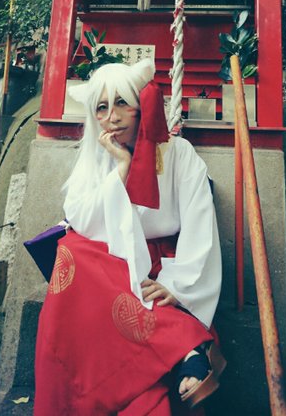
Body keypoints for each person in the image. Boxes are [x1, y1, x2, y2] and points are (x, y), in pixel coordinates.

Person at [34, 59, 225, 415]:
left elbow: (199, 223)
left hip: (162, 262)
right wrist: (120, 169)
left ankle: (178, 352)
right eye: (101, 108)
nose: (112, 117)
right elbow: (83, 221)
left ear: (142, 106)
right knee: (72, 250)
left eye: (122, 103)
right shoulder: (96, 157)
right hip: (110, 267)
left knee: (93, 268)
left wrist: (179, 285)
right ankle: (186, 347)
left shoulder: (178, 153)